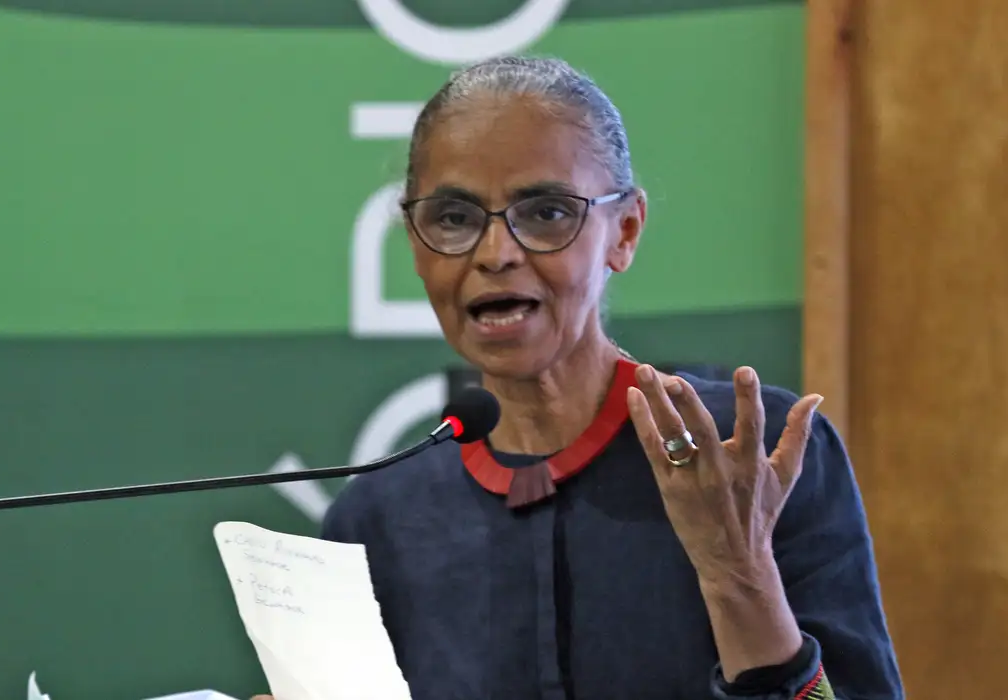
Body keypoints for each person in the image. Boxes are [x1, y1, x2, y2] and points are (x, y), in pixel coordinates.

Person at [255, 56, 903, 700]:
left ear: (623, 232)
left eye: (545, 212)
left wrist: (740, 578)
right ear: (417, 246)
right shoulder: (377, 521)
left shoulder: (748, 458)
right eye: (453, 218)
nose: (495, 252)